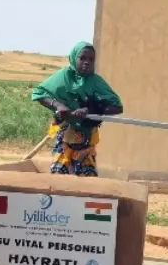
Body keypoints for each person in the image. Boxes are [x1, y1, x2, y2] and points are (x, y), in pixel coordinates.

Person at [32, 42, 123, 176]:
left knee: (87, 178)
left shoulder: (96, 82)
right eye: (82, 58)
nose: (87, 62)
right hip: (65, 138)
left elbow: (117, 107)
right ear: (74, 58)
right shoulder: (63, 77)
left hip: (86, 140)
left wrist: (92, 110)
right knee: (59, 177)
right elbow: (38, 94)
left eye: (91, 59)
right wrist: (58, 105)